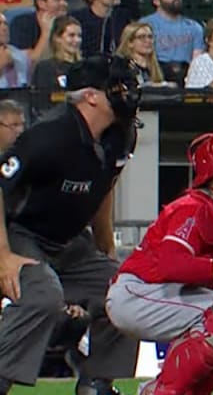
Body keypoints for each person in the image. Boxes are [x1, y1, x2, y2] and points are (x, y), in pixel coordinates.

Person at [0, 55, 142, 395]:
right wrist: (3, 255)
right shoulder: (47, 137)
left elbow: (103, 191)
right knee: (41, 293)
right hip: (19, 232)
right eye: (118, 87)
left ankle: (97, 384)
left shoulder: (119, 136)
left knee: (125, 289)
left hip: (68, 242)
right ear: (91, 96)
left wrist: (106, 250)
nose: (128, 93)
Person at [105, 129, 213, 395]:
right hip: (137, 293)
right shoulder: (193, 206)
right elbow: (172, 266)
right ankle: (159, 392)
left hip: (173, 296)